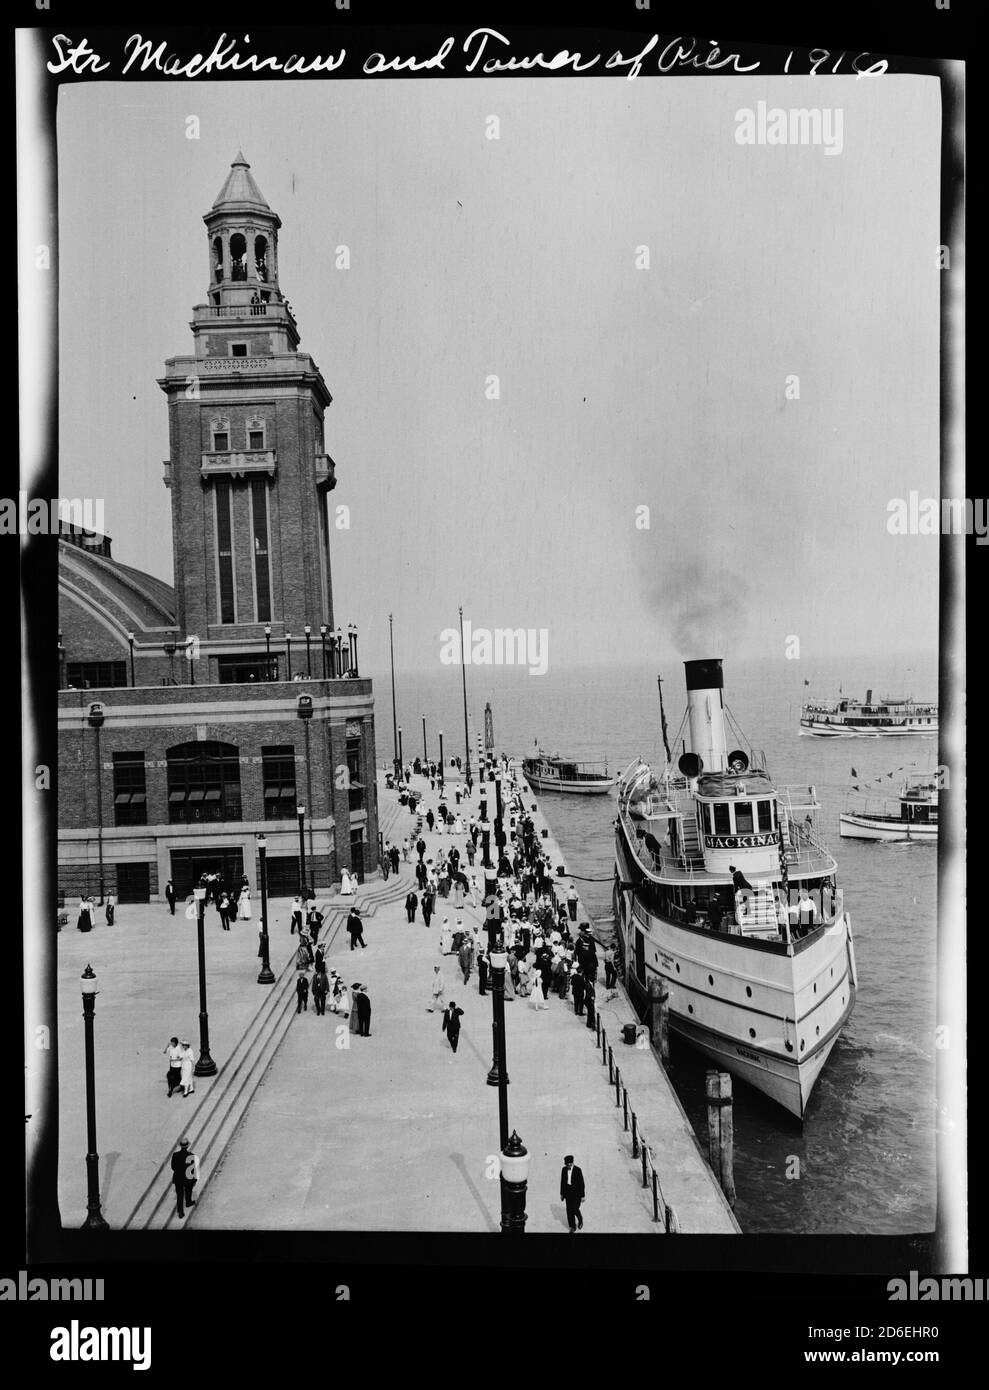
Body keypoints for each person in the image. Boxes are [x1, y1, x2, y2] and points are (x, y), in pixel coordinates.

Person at [170, 1139, 199, 1219]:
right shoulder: (191, 1156)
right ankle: (188, 1202)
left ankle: (180, 1212)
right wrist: (194, 1179)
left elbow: (173, 1167)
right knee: (188, 1190)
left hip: (178, 1178)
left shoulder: (175, 1155)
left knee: (179, 1195)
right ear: (187, 1146)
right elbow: (193, 1169)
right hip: (188, 1177)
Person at [560, 1155, 585, 1232]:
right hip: (568, 1192)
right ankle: (572, 1226)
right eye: (567, 1164)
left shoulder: (578, 1170)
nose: (568, 1165)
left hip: (576, 1193)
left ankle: (580, 1219)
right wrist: (562, 1194)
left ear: (572, 1162)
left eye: (570, 1163)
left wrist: (582, 1196)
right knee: (569, 1210)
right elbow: (562, 1182)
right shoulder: (563, 1170)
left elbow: (581, 1183)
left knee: (575, 1209)